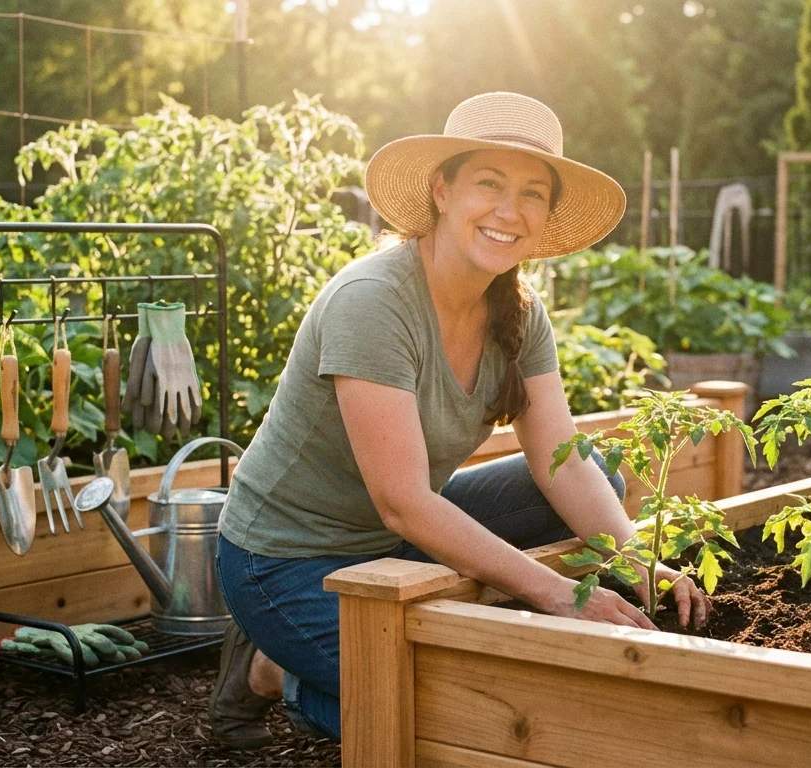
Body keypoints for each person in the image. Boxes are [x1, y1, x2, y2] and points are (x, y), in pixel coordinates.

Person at [209, 91, 710, 749]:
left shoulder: (520, 317)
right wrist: (556, 595)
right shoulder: (373, 303)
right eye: (489, 183)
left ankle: (362, 640)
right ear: (442, 191)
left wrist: (641, 560)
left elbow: (558, 453)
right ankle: (275, 672)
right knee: (452, 719)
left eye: (533, 192)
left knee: (602, 494)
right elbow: (404, 505)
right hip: (286, 558)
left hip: (393, 547)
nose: (510, 209)